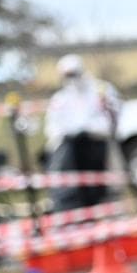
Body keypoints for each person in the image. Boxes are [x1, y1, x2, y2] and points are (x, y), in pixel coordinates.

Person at [44, 54, 120, 211]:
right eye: (67, 75)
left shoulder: (101, 90)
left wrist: (91, 129)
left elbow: (114, 117)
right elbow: (52, 125)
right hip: (70, 150)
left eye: (73, 74)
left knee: (101, 187)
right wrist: (64, 136)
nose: (71, 79)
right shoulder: (61, 98)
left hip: (98, 146)